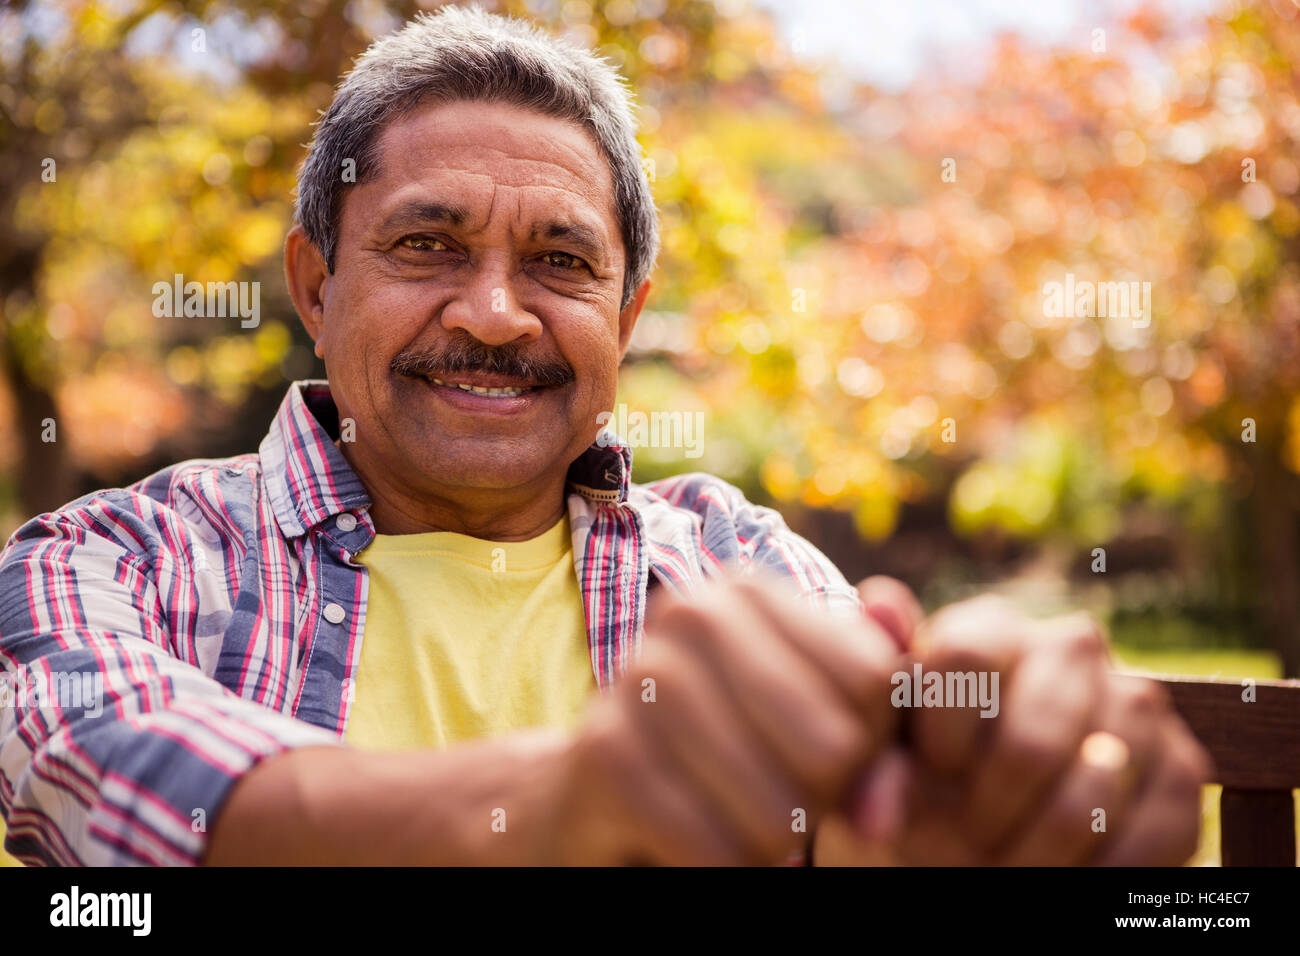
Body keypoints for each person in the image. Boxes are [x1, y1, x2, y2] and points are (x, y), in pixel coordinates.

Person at [0, 6, 1208, 866]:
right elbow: (115, 784)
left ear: (623, 319)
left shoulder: (739, 559)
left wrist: (984, 794)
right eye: (427, 245)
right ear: (315, 287)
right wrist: (562, 805)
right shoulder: (111, 558)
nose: (492, 311)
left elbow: (874, 814)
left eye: (561, 262)